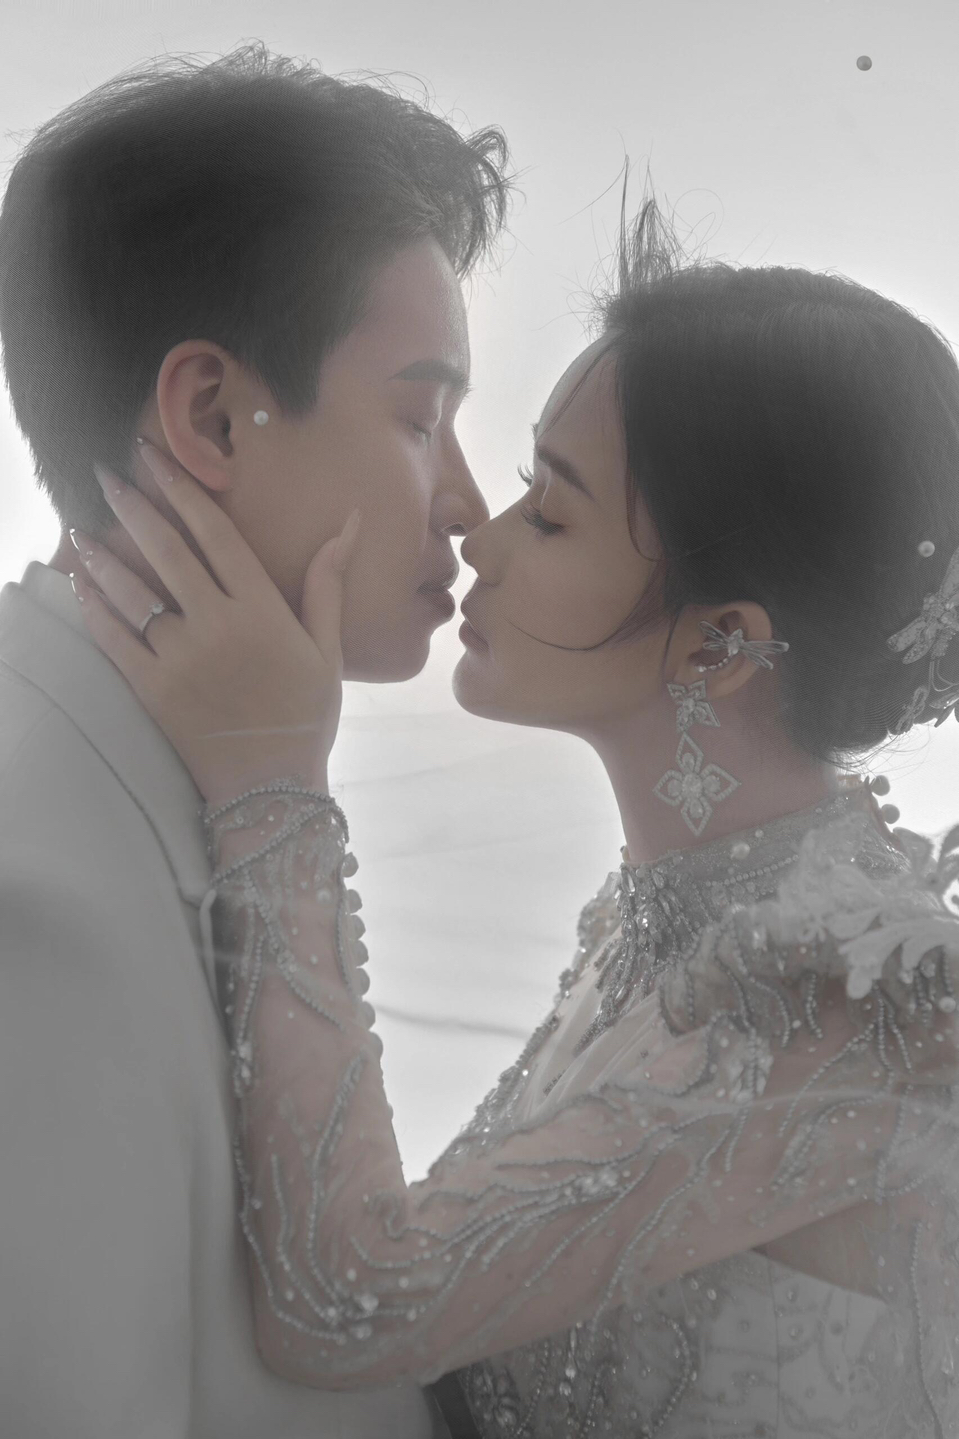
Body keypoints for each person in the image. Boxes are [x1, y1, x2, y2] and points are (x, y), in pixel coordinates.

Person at [67, 195, 959, 1437]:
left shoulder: (849, 998)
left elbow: (347, 1301)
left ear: (718, 643)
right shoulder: (667, 917)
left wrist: (271, 782)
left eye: (548, 508)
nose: (477, 535)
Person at [0, 42, 510, 1439]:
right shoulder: (35, 902)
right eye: (421, 415)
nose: (469, 503)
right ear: (213, 416)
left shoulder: (162, 765)